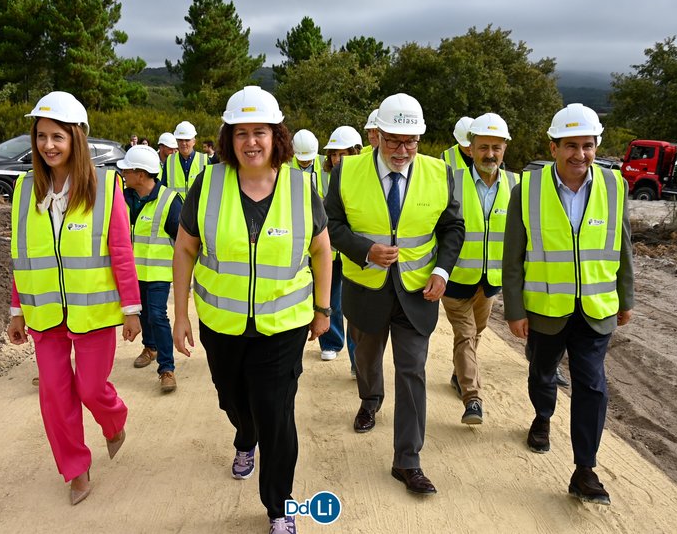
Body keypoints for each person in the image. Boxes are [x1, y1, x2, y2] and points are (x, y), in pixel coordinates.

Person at [172, 86, 331, 534]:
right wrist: (181, 314)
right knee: (233, 400)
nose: (250, 142)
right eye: (240, 133)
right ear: (228, 138)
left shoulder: (301, 186)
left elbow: (322, 249)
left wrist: (322, 309)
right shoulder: (209, 182)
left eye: (259, 131)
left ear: (275, 135)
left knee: (276, 413)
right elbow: (185, 249)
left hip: (283, 328)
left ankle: (279, 507)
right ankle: (245, 436)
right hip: (222, 325)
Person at [6, 91, 141, 505]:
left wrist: (131, 308)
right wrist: (16, 311)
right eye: (41, 136)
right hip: (44, 311)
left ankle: (114, 419)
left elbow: (120, 249)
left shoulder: (105, 186)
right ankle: (76, 469)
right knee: (54, 394)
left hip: (93, 310)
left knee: (89, 387)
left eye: (57, 137)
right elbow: (21, 252)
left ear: (77, 138)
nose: (48, 145)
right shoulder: (24, 188)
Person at [326, 93, 465, 495]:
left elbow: (453, 229)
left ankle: (408, 461)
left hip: (416, 291)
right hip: (366, 289)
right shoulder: (347, 172)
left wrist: (441, 270)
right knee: (367, 359)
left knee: (412, 371)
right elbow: (329, 224)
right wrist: (363, 250)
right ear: (376, 135)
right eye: (393, 141)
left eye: (412, 142)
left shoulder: (439, 174)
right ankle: (370, 399)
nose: (403, 151)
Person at [502, 103, 634, 506]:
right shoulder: (528, 190)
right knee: (542, 372)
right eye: (571, 146)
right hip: (545, 306)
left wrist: (625, 298)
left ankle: (585, 469)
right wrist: (515, 310)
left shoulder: (615, 186)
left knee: (593, 384)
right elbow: (513, 256)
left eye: (588, 145)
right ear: (554, 146)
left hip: (596, 307)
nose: (580, 154)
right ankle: (543, 417)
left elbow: (623, 245)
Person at [440, 113, 518, 425]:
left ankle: (460, 373)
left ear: (504, 150)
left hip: (490, 281)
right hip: (456, 278)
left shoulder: (516, 184)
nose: (490, 154)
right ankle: (472, 398)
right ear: (470, 148)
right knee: (466, 334)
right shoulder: (451, 182)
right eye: (483, 147)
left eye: (496, 148)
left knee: (477, 333)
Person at [118, 145, 180, 393]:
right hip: (132, 273)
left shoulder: (170, 201)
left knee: (157, 315)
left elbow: (184, 241)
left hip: (158, 273)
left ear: (141, 174)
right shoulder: (124, 197)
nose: (123, 174)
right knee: (142, 314)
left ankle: (167, 368)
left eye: (127, 170)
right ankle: (150, 347)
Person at [320, 126, 363, 374]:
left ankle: (358, 362)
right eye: (334, 154)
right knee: (333, 301)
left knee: (357, 309)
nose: (337, 159)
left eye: (342, 154)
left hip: (356, 252)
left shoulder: (366, 177)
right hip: (331, 252)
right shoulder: (326, 175)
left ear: (355, 152)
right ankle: (332, 343)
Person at [161, 120, 209, 201]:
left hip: (197, 209)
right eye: (180, 140)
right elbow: (163, 188)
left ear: (194, 141)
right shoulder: (169, 161)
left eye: (187, 140)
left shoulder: (204, 160)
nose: (183, 143)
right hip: (175, 210)